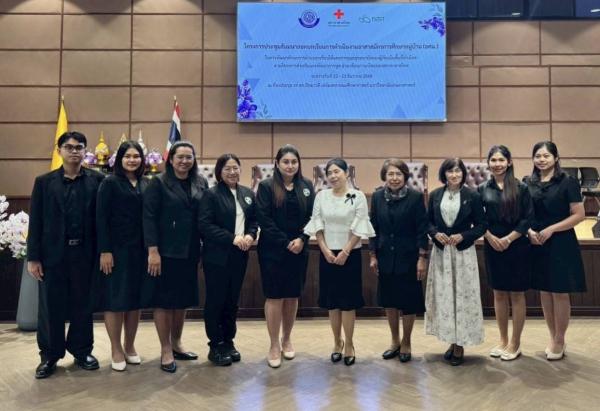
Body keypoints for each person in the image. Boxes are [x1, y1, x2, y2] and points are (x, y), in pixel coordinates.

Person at [27, 131, 105, 379]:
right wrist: (33, 257)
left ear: (85, 151)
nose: (74, 151)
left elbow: (103, 220)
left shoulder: (98, 180)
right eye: (69, 147)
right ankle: (49, 355)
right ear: (59, 150)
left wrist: (104, 251)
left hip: (85, 254)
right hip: (53, 256)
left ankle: (82, 351)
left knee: (83, 305)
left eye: (79, 147)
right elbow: (36, 221)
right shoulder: (44, 182)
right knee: (51, 306)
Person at [142, 141, 208, 373]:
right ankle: (165, 349)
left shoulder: (200, 182)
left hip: (190, 251)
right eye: (180, 157)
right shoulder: (158, 183)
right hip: (165, 252)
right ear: (170, 159)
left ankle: (177, 343)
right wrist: (152, 251)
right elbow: (149, 218)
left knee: (182, 300)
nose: (184, 161)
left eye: (189, 157)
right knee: (164, 301)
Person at [304, 158, 375, 366]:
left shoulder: (358, 196)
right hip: (327, 254)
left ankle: (350, 344)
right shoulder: (321, 196)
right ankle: (337, 342)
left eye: (337, 171)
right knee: (332, 302)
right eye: (329, 173)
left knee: (348, 302)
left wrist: (345, 251)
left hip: (350, 254)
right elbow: (317, 224)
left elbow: (359, 226)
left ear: (347, 173)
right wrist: (325, 250)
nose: (333, 176)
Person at [525, 141, 586, 360]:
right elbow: (523, 213)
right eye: (538, 156)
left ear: (556, 158)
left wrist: (552, 229)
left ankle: (560, 339)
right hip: (537, 241)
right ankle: (552, 337)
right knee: (545, 291)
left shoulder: (567, 182)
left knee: (559, 292)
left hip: (561, 241)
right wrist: (529, 231)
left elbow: (579, 215)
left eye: (546, 156)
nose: (541, 160)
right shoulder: (527, 182)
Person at [256, 145, 315, 368]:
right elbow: (264, 219)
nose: (290, 166)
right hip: (273, 250)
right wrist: (285, 242)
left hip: (299, 249)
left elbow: (313, 216)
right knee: (274, 296)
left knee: (292, 295)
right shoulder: (266, 186)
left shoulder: (306, 186)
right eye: (286, 162)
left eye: (294, 162)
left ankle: (287, 339)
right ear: (277, 164)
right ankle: (273, 344)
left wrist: (302, 239)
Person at [198, 154, 258, 366]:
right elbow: (205, 225)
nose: (232, 172)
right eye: (227, 169)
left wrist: (250, 235)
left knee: (232, 301)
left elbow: (254, 220)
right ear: (219, 172)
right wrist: (232, 238)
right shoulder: (211, 195)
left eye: (235, 168)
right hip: (217, 256)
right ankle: (215, 345)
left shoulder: (247, 194)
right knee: (216, 300)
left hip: (239, 255)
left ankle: (229, 341)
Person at [425, 158, 486, 366]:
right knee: (446, 298)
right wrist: (435, 233)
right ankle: (451, 340)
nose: (454, 175)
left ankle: (460, 344)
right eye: (450, 171)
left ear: (463, 174)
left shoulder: (472, 196)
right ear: (444, 174)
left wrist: (464, 236)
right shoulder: (435, 195)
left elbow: (482, 225)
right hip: (442, 253)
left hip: (462, 254)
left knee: (462, 297)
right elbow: (427, 222)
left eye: (458, 171)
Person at [94, 141, 148, 371]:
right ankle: (116, 348)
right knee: (115, 300)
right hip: (116, 251)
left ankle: (130, 345)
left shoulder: (146, 183)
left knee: (134, 300)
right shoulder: (109, 183)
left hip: (141, 251)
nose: (132, 160)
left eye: (136, 156)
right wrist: (105, 250)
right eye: (128, 156)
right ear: (120, 159)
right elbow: (101, 218)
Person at [369, 159, 428, 363]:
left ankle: (407, 341)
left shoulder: (415, 197)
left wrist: (422, 258)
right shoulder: (377, 197)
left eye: (398, 174)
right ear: (384, 176)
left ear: (405, 176)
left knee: (408, 302)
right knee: (390, 301)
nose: (394, 178)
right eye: (390, 174)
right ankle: (394, 340)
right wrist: (372, 255)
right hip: (385, 256)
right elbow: (373, 228)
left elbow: (422, 230)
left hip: (408, 257)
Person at [479, 145, 533, 361]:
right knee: (499, 293)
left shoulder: (521, 187)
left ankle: (515, 343)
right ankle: (503, 340)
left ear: (509, 162)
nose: (497, 164)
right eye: (493, 160)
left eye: (501, 160)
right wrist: (490, 237)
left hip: (517, 245)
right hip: (492, 245)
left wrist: (509, 239)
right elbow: (478, 218)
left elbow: (527, 218)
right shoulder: (482, 188)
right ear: (488, 163)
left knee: (517, 294)